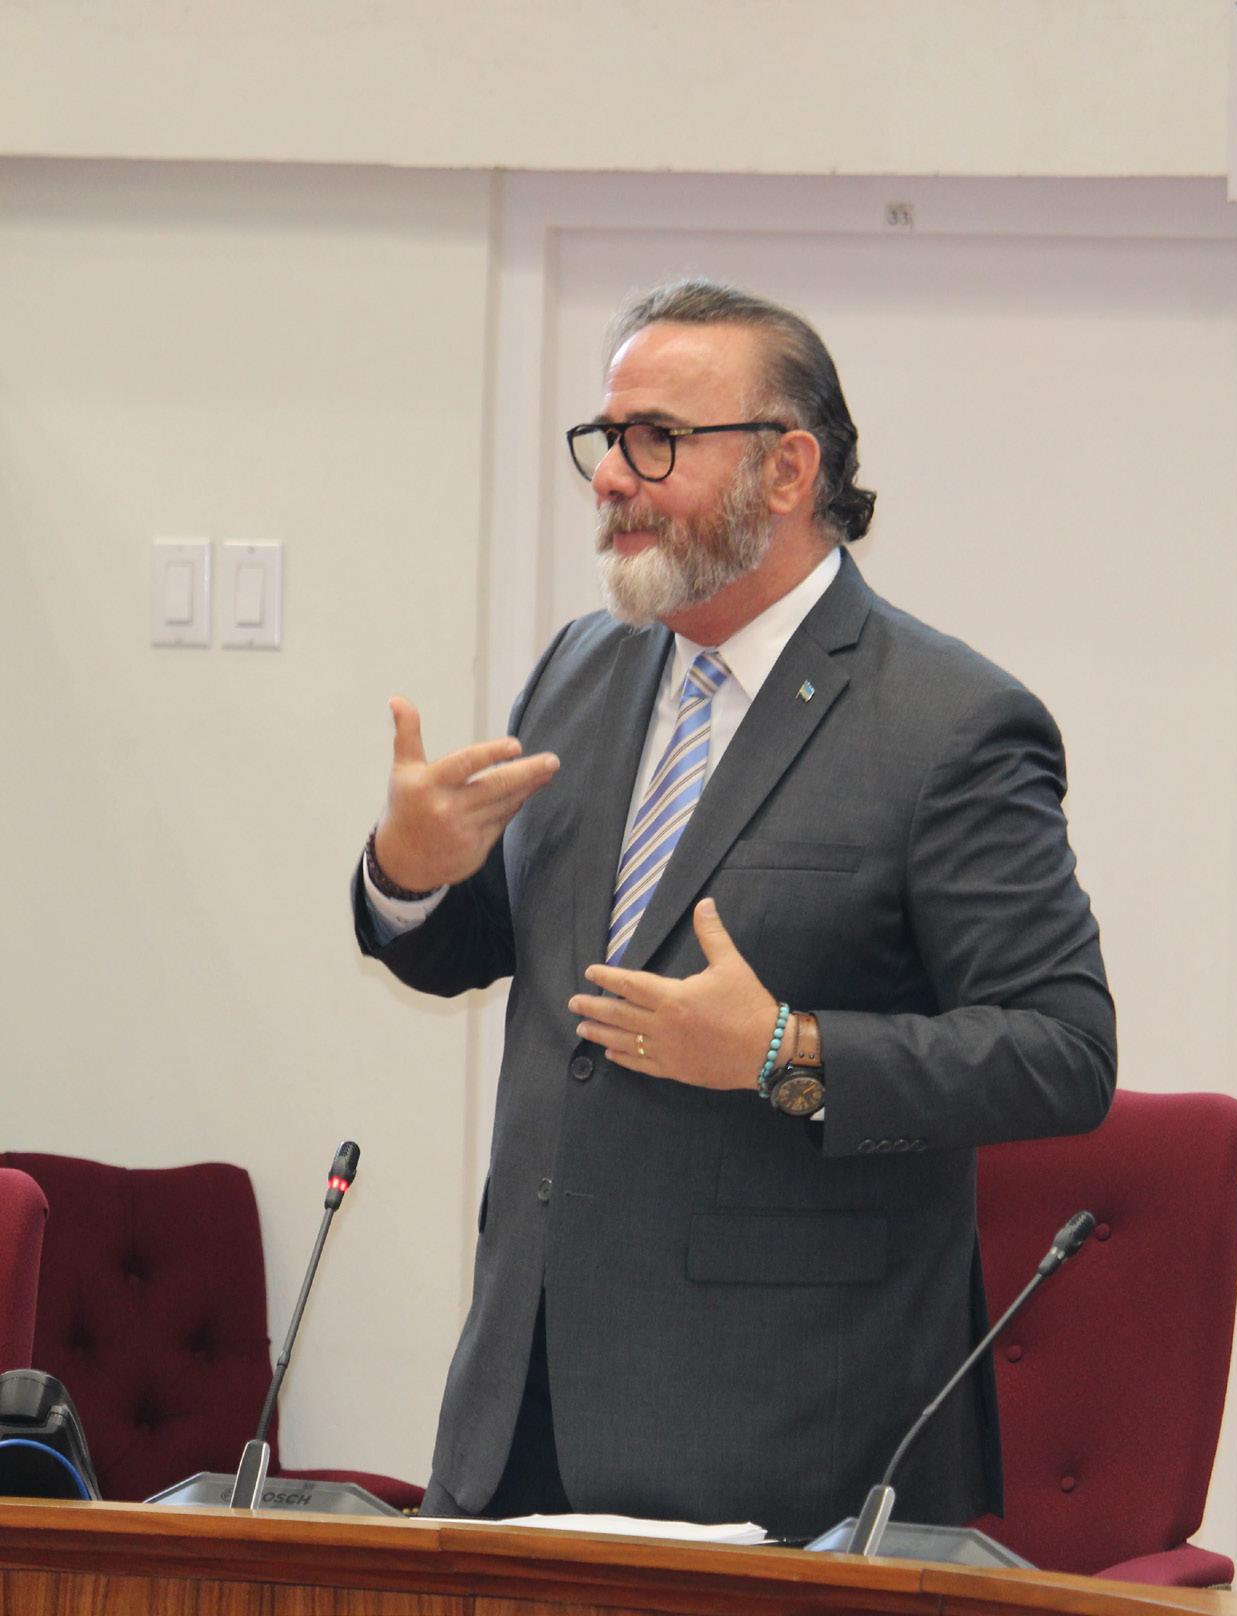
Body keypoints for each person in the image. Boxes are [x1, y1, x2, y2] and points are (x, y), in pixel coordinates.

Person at [353, 279, 1115, 1539]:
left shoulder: (948, 723)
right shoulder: (581, 667)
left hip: (784, 1441)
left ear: (786, 469)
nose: (611, 476)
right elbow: (493, 947)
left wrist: (783, 1051)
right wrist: (410, 873)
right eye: (606, 439)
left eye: (657, 438)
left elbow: (1061, 1052)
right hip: (518, 1412)